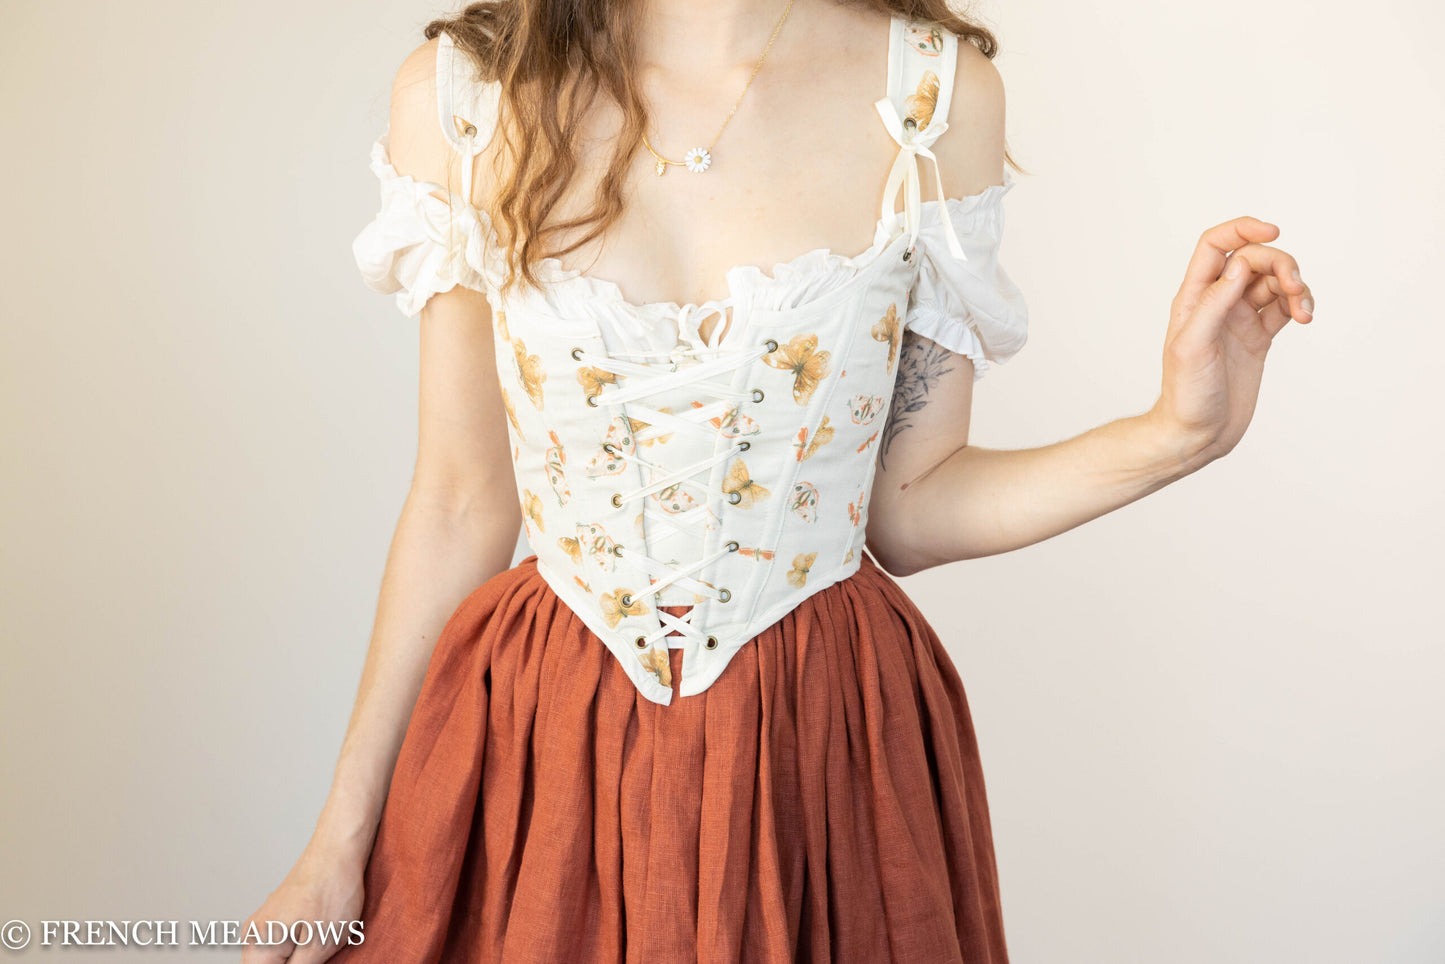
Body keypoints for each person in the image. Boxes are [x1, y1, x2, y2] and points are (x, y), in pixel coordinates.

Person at [242, 1, 1314, 961]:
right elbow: (460, 500)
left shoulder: (929, 100)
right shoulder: (465, 93)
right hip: (542, 744)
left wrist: (1176, 433)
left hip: (821, 746)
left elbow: (906, 505)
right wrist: (339, 839)